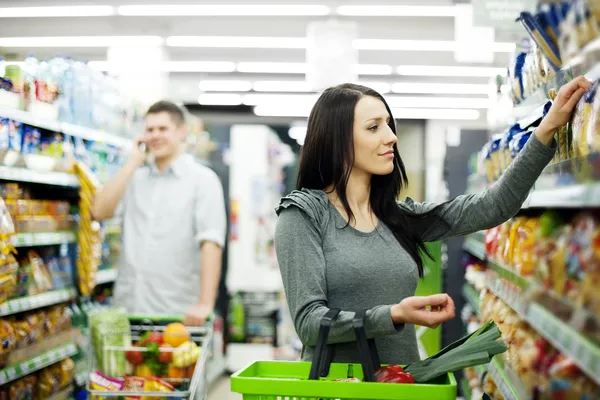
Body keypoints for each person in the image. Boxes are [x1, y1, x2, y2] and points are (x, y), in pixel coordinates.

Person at [274, 77, 592, 364]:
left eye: (388, 124)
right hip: (339, 390)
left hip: (403, 386)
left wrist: (548, 127)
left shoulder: (398, 217)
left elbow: (494, 205)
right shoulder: (302, 215)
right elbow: (310, 325)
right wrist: (394, 315)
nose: (390, 136)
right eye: (374, 127)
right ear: (337, 141)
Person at [92, 101, 226, 326]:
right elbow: (99, 211)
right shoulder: (134, 179)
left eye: (163, 129)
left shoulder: (202, 180)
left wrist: (205, 304)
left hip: (177, 314)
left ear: (182, 132)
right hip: (129, 310)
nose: (155, 136)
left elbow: (211, 243)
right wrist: (133, 161)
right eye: (149, 129)